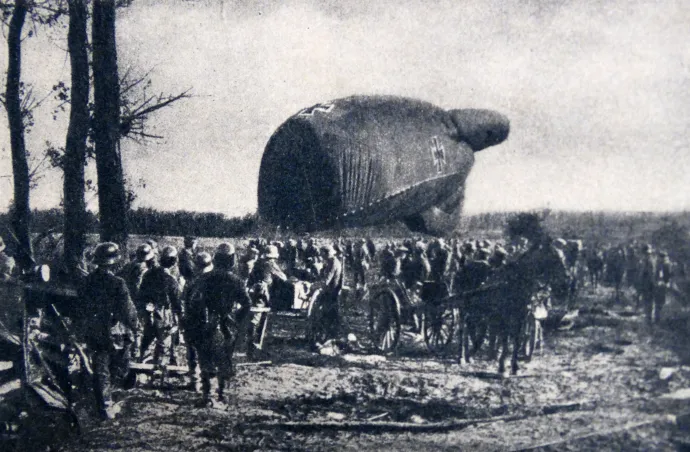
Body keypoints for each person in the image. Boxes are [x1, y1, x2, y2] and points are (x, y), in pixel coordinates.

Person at [76, 242, 138, 420]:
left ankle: (104, 405)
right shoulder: (118, 283)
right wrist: (134, 327)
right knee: (118, 365)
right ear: (114, 262)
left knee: (100, 367)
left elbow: (80, 306)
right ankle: (110, 402)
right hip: (113, 331)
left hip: (93, 330)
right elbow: (128, 311)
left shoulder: (87, 281)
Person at [186, 243, 250, 406]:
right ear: (231, 260)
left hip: (205, 324)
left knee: (205, 359)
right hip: (226, 324)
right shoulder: (236, 280)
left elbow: (192, 301)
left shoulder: (203, 278)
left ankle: (207, 396)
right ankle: (221, 394)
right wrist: (236, 318)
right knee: (224, 358)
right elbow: (246, 304)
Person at [137, 246, 182, 367]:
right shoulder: (171, 280)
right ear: (173, 262)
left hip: (148, 313)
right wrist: (179, 317)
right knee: (163, 343)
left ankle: (141, 365)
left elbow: (140, 294)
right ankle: (159, 369)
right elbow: (177, 302)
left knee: (146, 341)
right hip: (163, 315)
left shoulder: (148, 274)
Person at [182, 252, 214, 389]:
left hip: (193, 321)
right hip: (210, 322)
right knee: (207, 355)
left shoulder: (191, 283)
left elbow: (184, 302)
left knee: (192, 353)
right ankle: (208, 388)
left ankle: (194, 381)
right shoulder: (216, 281)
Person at [637, 244, 657, 324]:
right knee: (646, 302)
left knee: (648, 302)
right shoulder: (646, 261)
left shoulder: (648, 262)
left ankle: (649, 320)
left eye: (647, 254)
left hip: (648, 285)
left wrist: (653, 284)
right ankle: (648, 318)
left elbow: (650, 274)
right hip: (645, 284)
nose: (645, 255)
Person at [654, 251, 673, 324]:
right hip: (664, 285)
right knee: (662, 302)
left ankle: (658, 320)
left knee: (659, 303)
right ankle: (660, 319)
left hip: (661, 285)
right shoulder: (667, 264)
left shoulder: (662, 265)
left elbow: (661, 276)